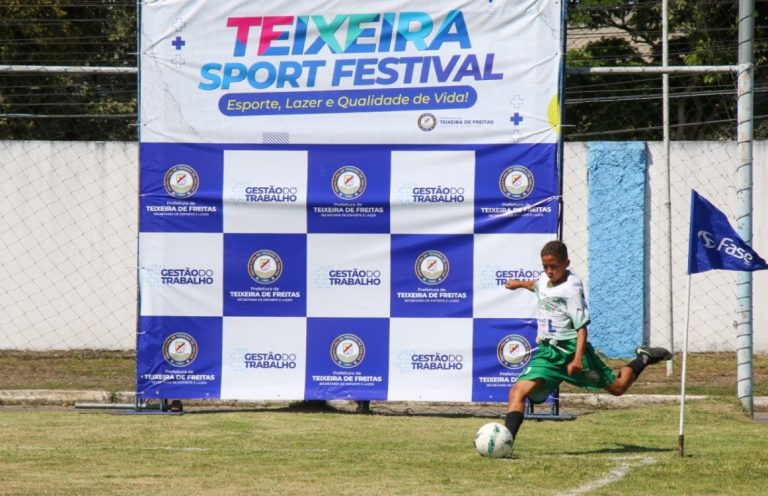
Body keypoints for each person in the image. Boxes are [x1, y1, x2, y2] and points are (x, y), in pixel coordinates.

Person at [503, 240, 671, 441]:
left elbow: (582, 330)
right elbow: (537, 285)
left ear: (566, 263)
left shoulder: (571, 289)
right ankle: (506, 441)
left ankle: (643, 358)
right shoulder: (544, 280)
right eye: (545, 266)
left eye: (553, 266)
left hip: (572, 350)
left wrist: (577, 359)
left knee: (617, 388)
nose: (549, 271)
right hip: (548, 353)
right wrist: (518, 284)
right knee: (517, 392)